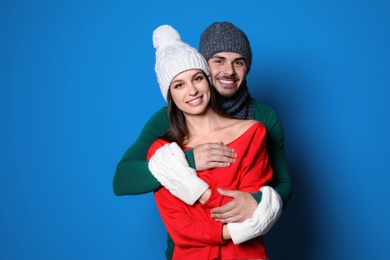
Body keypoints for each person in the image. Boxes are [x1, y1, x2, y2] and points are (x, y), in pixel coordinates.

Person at [113, 22, 293, 259]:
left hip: (244, 250)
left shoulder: (261, 121)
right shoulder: (166, 122)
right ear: (206, 65)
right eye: (219, 60)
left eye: (239, 62)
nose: (229, 70)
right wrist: (188, 160)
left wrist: (256, 200)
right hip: (189, 250)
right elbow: (123, 180)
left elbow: (284, 183)